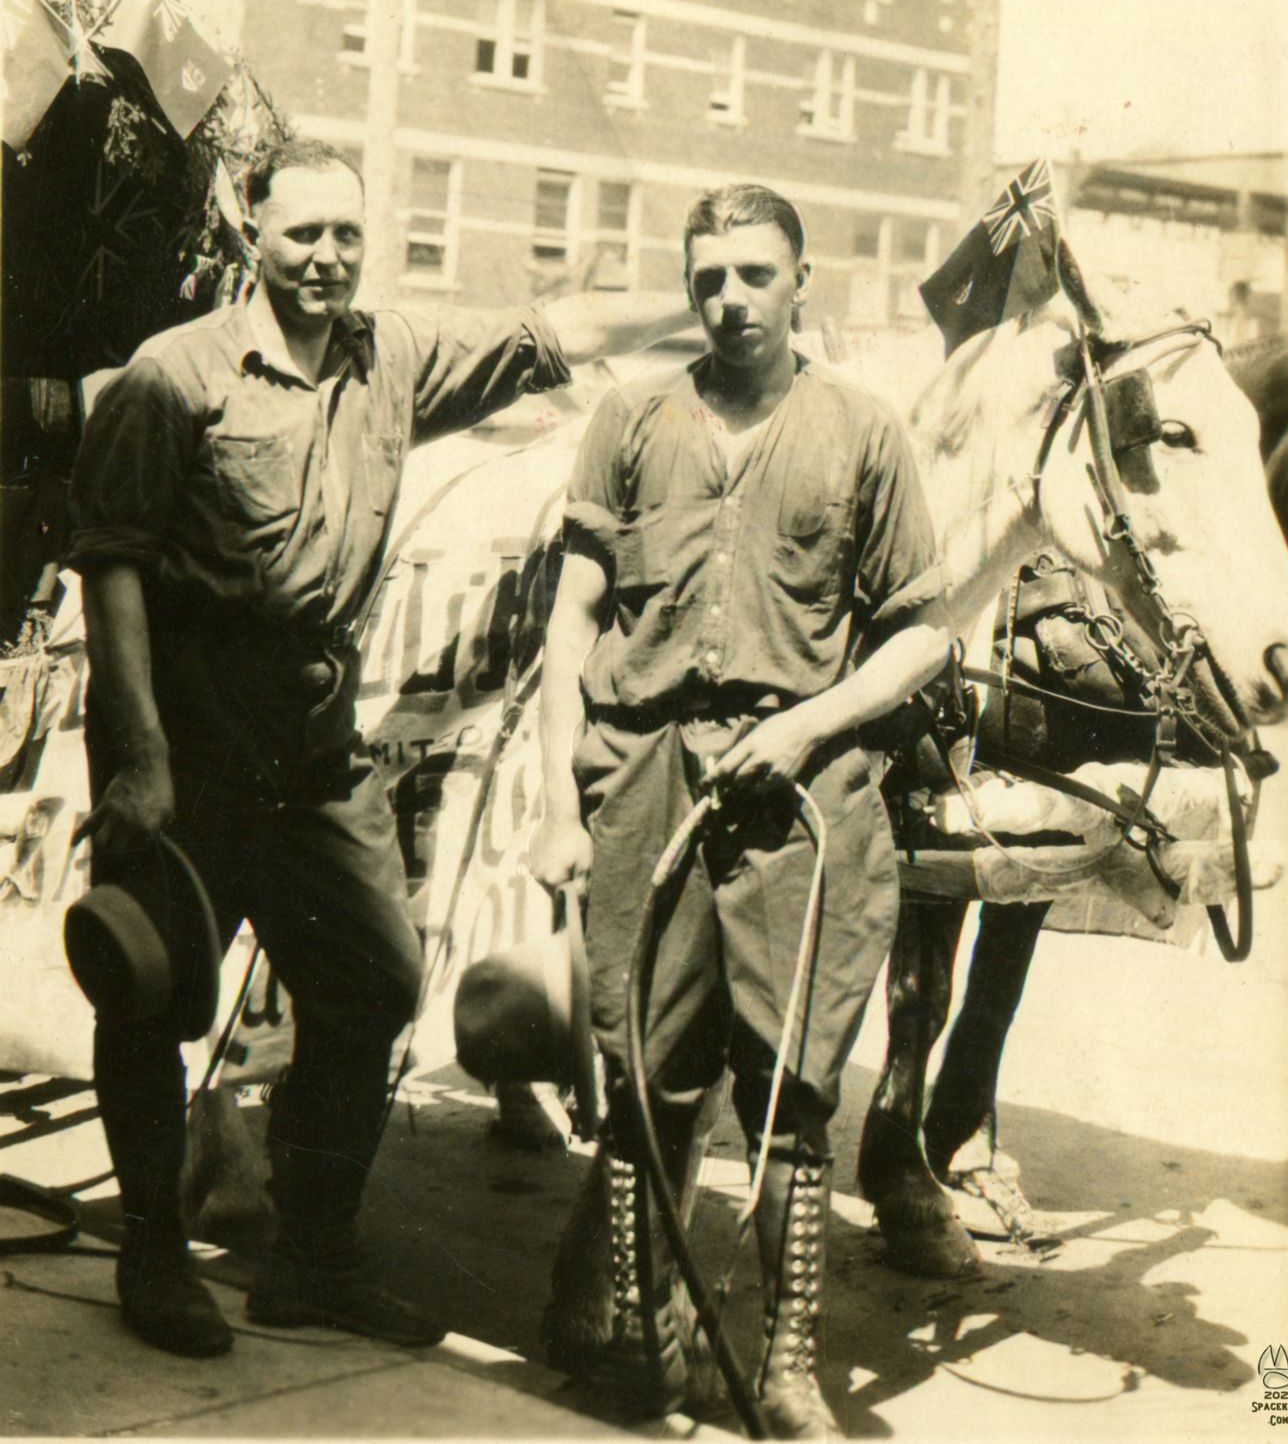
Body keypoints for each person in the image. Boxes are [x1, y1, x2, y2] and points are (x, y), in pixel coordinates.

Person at [64, 137, 692, 1361]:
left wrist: (699, 296)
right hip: (188, 720)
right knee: (153, 990)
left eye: (348, 234)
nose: (329, 258)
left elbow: (548, 329)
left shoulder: (387, 356)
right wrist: (140, 753)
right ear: (254, 234)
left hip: (312, 739)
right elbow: (113, 564)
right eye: (304, 234)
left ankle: (310, 1259)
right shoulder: (172, 374)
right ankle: (151, 1246)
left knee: (374, 979)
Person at [529, 183, 952, 1438]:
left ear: (799, 279)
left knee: (792, 1086)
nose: (730, 300)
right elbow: (569, 624)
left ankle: (782, 1368)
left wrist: (810, 725)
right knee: (641, 1075)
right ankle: (641, 1340)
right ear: (689, 282)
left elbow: (923, 633)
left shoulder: (863, 431)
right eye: (708, 277)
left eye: (755, 275)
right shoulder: (629, 418)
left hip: (799, 789)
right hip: (645, 770)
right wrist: (561, 804)